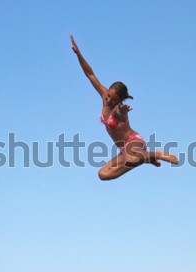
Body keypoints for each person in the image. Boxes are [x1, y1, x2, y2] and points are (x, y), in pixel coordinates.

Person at [70, 35, 178, 180]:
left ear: (119, 101)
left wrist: (122, 111)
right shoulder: (104, 96)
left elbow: (120, 113)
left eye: (113, 100)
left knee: (130, 158)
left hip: (134, 142)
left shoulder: (119, 110)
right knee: (103, 174)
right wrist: (78, 54)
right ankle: (145, 159)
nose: (108, 100)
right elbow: (90, 74)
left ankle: (155, 154)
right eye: (108, 95)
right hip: (124, 150)